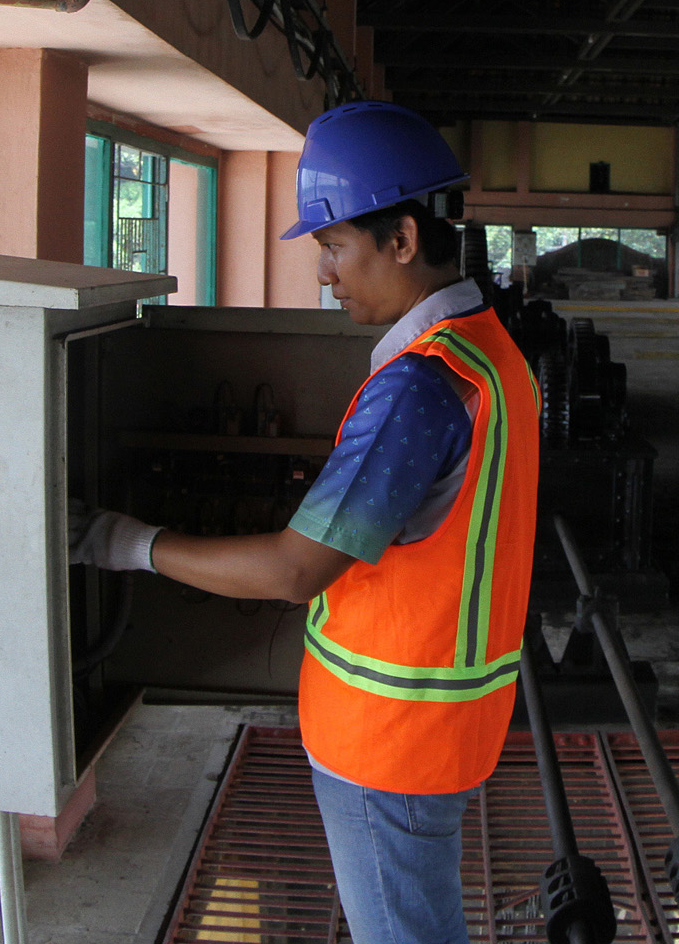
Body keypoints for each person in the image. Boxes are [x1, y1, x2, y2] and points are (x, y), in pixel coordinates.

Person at [74, 101, 540, 944]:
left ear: (401, 239)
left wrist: (127, 543)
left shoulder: (419, 386)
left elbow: (295, 570)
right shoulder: (490, 351)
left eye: (333, 247)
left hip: (386, 744)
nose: (324, 272)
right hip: (445, 731)